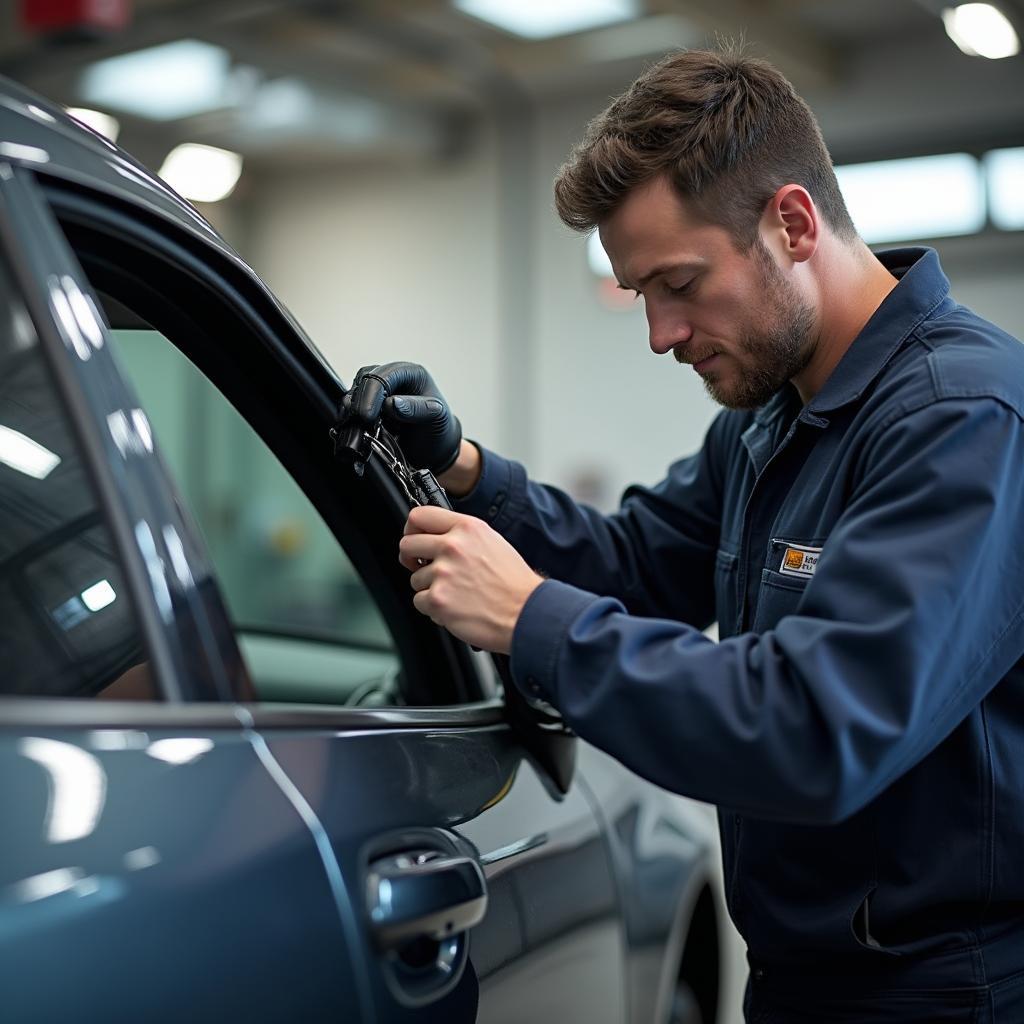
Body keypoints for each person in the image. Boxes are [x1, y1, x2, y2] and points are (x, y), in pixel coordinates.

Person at [342, 48, 1024, 1021]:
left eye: (679, 283)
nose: (661, 333)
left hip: (943, 994)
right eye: (640, 295)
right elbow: (634, 564)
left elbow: (815, 727)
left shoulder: (963, 421)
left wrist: (535, 618)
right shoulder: (767, 418)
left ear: (792, 223)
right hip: (803, 980)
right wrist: (467, 470)